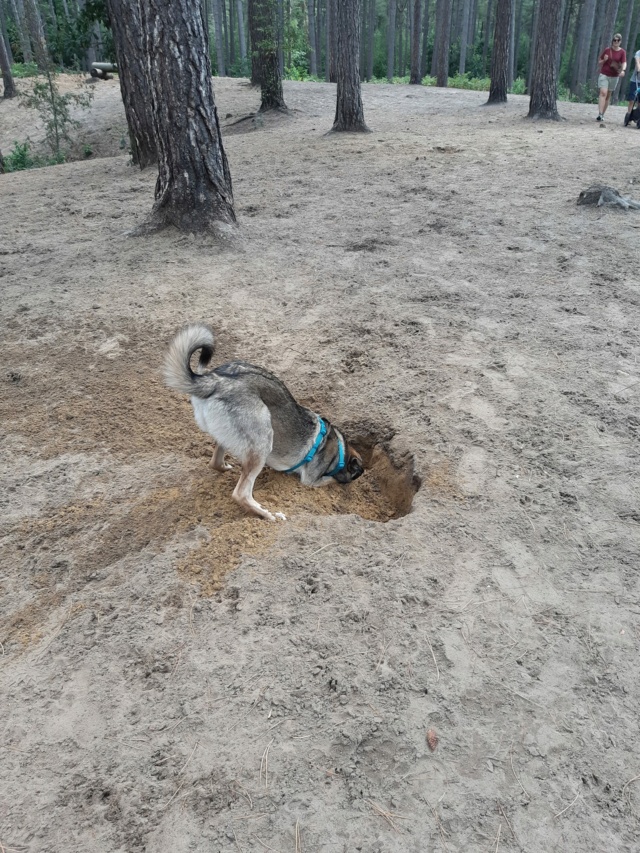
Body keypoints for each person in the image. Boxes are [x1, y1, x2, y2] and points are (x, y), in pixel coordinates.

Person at [597, 34, 627, 122]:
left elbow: (624, 62)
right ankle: (599, 113)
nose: (616, 42)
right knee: (603, 93)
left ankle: (602, 114)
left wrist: (623, 70)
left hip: (614, 76)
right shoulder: (607, 50)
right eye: (614, 40)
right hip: (604, 74)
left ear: (620, 41)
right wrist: (604, 60)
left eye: (618, 40)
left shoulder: (622, 52)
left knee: (608, 95)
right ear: (612, 41)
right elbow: (599, 61)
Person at [624, 46, 640, 125]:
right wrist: (638, 69)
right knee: (632, 100)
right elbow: (637, 63)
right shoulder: (638, 53)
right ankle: (629, 115)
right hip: (636, 80)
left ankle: (637, 117)